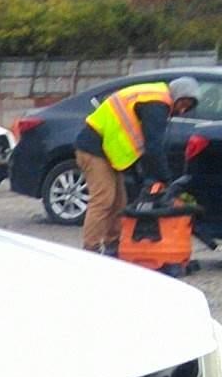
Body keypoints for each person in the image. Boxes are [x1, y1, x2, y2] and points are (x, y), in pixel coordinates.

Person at [75, 76, 201, 254]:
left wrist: (147, 175)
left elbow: (142, 142)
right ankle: (90, 249)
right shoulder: (157, 103)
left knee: (119, 202)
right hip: (93, 148)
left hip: (107, 150)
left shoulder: (156, 98)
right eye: (184, 103)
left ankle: (114, 245)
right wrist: (165, 178)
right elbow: (153, 145)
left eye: (188, 107)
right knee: (103, 200)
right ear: (178, 95)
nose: (183, 109)